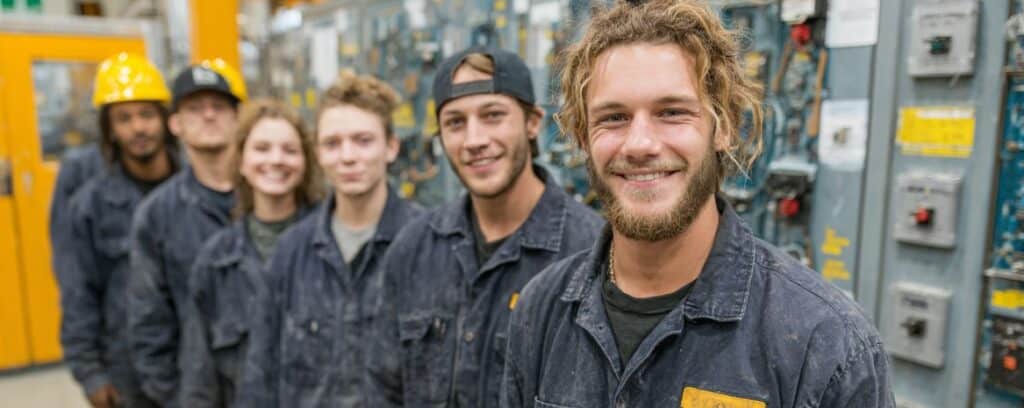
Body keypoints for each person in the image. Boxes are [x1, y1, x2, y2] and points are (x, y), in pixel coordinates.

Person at [500, 1, 895, 407]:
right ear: (583, 137)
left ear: (722, 126)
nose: (640, 144)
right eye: (614, 117)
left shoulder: (826, 344)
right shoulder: (542, 308)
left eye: (671, 112)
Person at [366, 47, 604, 407]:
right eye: (455, 122)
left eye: (493, 115)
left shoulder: (591, 253)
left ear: (532, 122)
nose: (474, 140)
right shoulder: (414, 248)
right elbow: (383, 389)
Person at [239, 71, 423, 407]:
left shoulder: (426, 244)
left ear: (391, 147)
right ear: (318, 155)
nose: (348, 156)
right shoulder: (292, 252)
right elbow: (260, 374)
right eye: (332, 143)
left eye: (363, 140)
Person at [179, 98, 323, 407]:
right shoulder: (215, 261)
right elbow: (199, 375)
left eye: (289, 149)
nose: (276, 159)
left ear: (306, 163)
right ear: (241, 161)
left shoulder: (331, 246)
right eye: (261, 148)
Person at [56, 52, 179, 408]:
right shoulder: (89, 207)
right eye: (123, 119)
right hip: (127, 369)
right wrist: (90, 372)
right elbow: (77, 290)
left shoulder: (193, 193)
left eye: (146, 114)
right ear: (109, 130)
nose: (138, 128)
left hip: (192, 362)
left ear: (165, 119)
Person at [128, 58, 247, 406]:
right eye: (195, 108)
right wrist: (174, 397)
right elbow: (148, 321)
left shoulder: (274, 197)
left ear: (238, 118)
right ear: (175, 124)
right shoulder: (157, 216)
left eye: (219, 106)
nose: (209, 115)